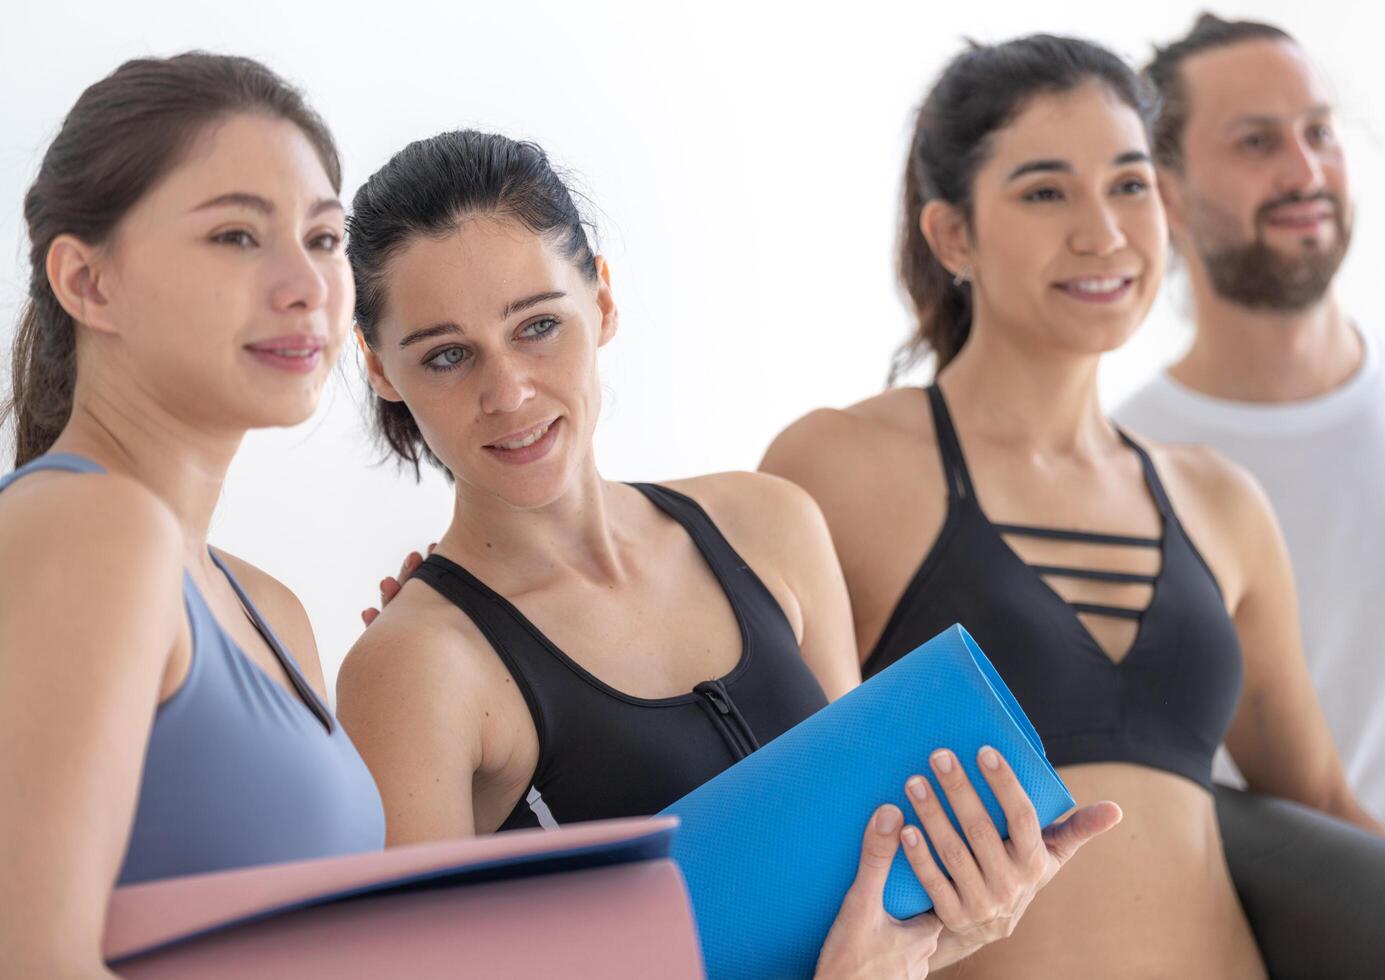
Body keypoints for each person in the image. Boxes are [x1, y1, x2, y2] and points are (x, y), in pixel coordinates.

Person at [336, 129, 1120, 977]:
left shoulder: (769, 524)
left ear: (601, 301)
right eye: (447, 356)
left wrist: (960, 922)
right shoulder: (417, 669)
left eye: (537, 326)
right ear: (381, 368)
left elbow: (860, 906)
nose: (508, 392)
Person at [760, 35, 1384, 979]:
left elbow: (1321, 799)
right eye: (1046, 191)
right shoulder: (843, 469)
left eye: (1131, 185)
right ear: (952, 236)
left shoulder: (1218, 501)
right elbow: (764, 802)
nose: (1103, 232)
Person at [0, 53, 385, 978]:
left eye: (325, 239)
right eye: (236, 238)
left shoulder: (271, 610)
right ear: (88, 283)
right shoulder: (93, 531)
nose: (306, 285)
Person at [1114, 13, 1385, 872]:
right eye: (1256, 142)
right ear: (1164, 190)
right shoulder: (1122, 467)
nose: (1305, 170)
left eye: (1319, 132)